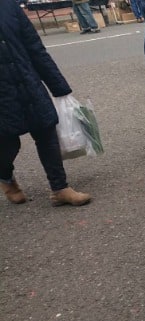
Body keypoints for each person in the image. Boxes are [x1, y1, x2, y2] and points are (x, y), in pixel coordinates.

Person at [0, 0, 91, 206]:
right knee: (7, 143)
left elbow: (34, 47)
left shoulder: (8, 5)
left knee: (46, 130)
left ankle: (60, 188)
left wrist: (59, 87)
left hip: (27, 80)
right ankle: (6, 178)